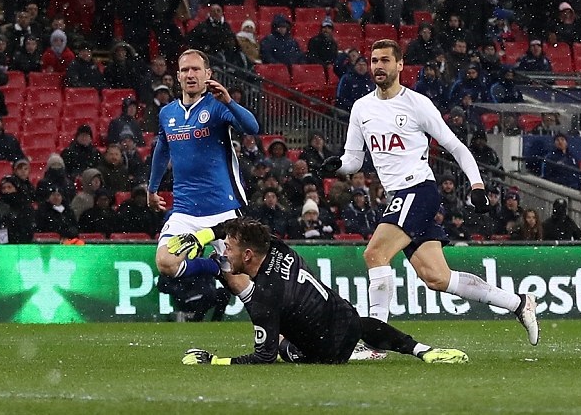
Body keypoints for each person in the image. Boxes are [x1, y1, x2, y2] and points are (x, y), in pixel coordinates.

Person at [319, 39, 539, 357]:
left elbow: (456, 147)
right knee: (437, 277)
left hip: (418, 190)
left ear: (399, 66)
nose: (377, 66)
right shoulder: (361, 108)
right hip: (400, 196)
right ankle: (518, 303)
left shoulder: (417, 103)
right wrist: (337, 165)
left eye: (384, 60)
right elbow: (353, 160)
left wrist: (476, 185)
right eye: (373, 60)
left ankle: (373, 345)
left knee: (374, 254)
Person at [180, 218, 467, 365]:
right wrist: (207, 235)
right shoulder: (279, 247)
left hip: (324, 354)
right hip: (347, 320)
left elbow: (262, 359)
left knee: (280, 344)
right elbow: (242, 231)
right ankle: (423, 350)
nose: (224, 254)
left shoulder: (264, 298)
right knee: (363, 324)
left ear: (248, 255)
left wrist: (215, 361)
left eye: (228, 249)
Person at [151, 49, 260, 280]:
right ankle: (215, 267)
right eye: (185, 70)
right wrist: (152, 189)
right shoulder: (167, 113)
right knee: (165, 263)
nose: (190, 74)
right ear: (178, 77)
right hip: (185, 211)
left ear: (207, 74)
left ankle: (228, 272)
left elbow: (253, 128)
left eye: (196, 69)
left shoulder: (218, 106)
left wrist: (229, 101)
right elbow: (162, 150)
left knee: (246, 286)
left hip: (223, 211)